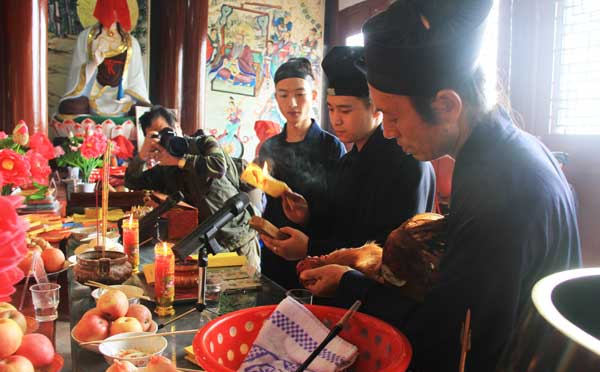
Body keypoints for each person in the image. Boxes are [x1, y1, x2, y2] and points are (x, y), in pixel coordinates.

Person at [299, 1, 581, 372]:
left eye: (392, 116)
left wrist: (350, 284)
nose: (389, 132)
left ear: (446, 106)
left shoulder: (498, 186)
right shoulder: (501, 151)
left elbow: (446, 337)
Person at [260, 46, 436, 264]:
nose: (336, 120)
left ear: (375, 108)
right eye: (331, 109)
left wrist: (310, 248)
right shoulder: (346, 163)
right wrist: (306, 216)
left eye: (345, 110)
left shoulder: (407, 162)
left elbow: (394, 251)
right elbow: (336, 228)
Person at [124, 106, 260, 271]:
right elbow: (132, 182)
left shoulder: (203, 143)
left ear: (177, 127)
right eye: (157, 137)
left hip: (239, 239)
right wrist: (142, 156)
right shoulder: (166, 170)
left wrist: (180, 161)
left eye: (167, 131)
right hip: (205, 247)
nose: (165, 140)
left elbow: (218, 167)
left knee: (249, 286)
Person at [257, 57, 346, 289]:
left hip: (312, 255)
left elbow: (341, 211)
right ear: (276, 98)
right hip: (273, 252)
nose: (292, 103)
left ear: (314, 95)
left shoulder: (331, 147)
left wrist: (307, 215)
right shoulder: (269, 147)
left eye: (300, 94)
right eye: (283, 95)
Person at [58, 0, 150, 117]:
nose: (113, 13)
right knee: (70, 107)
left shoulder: (131, 43)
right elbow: (76, 75)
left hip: (120, 98)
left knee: (144, 111)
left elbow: (136, 80)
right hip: (90, 95)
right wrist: (93, 63)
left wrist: (128, 97)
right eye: (108, 7)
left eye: (118, 8)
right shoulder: (85, 38)